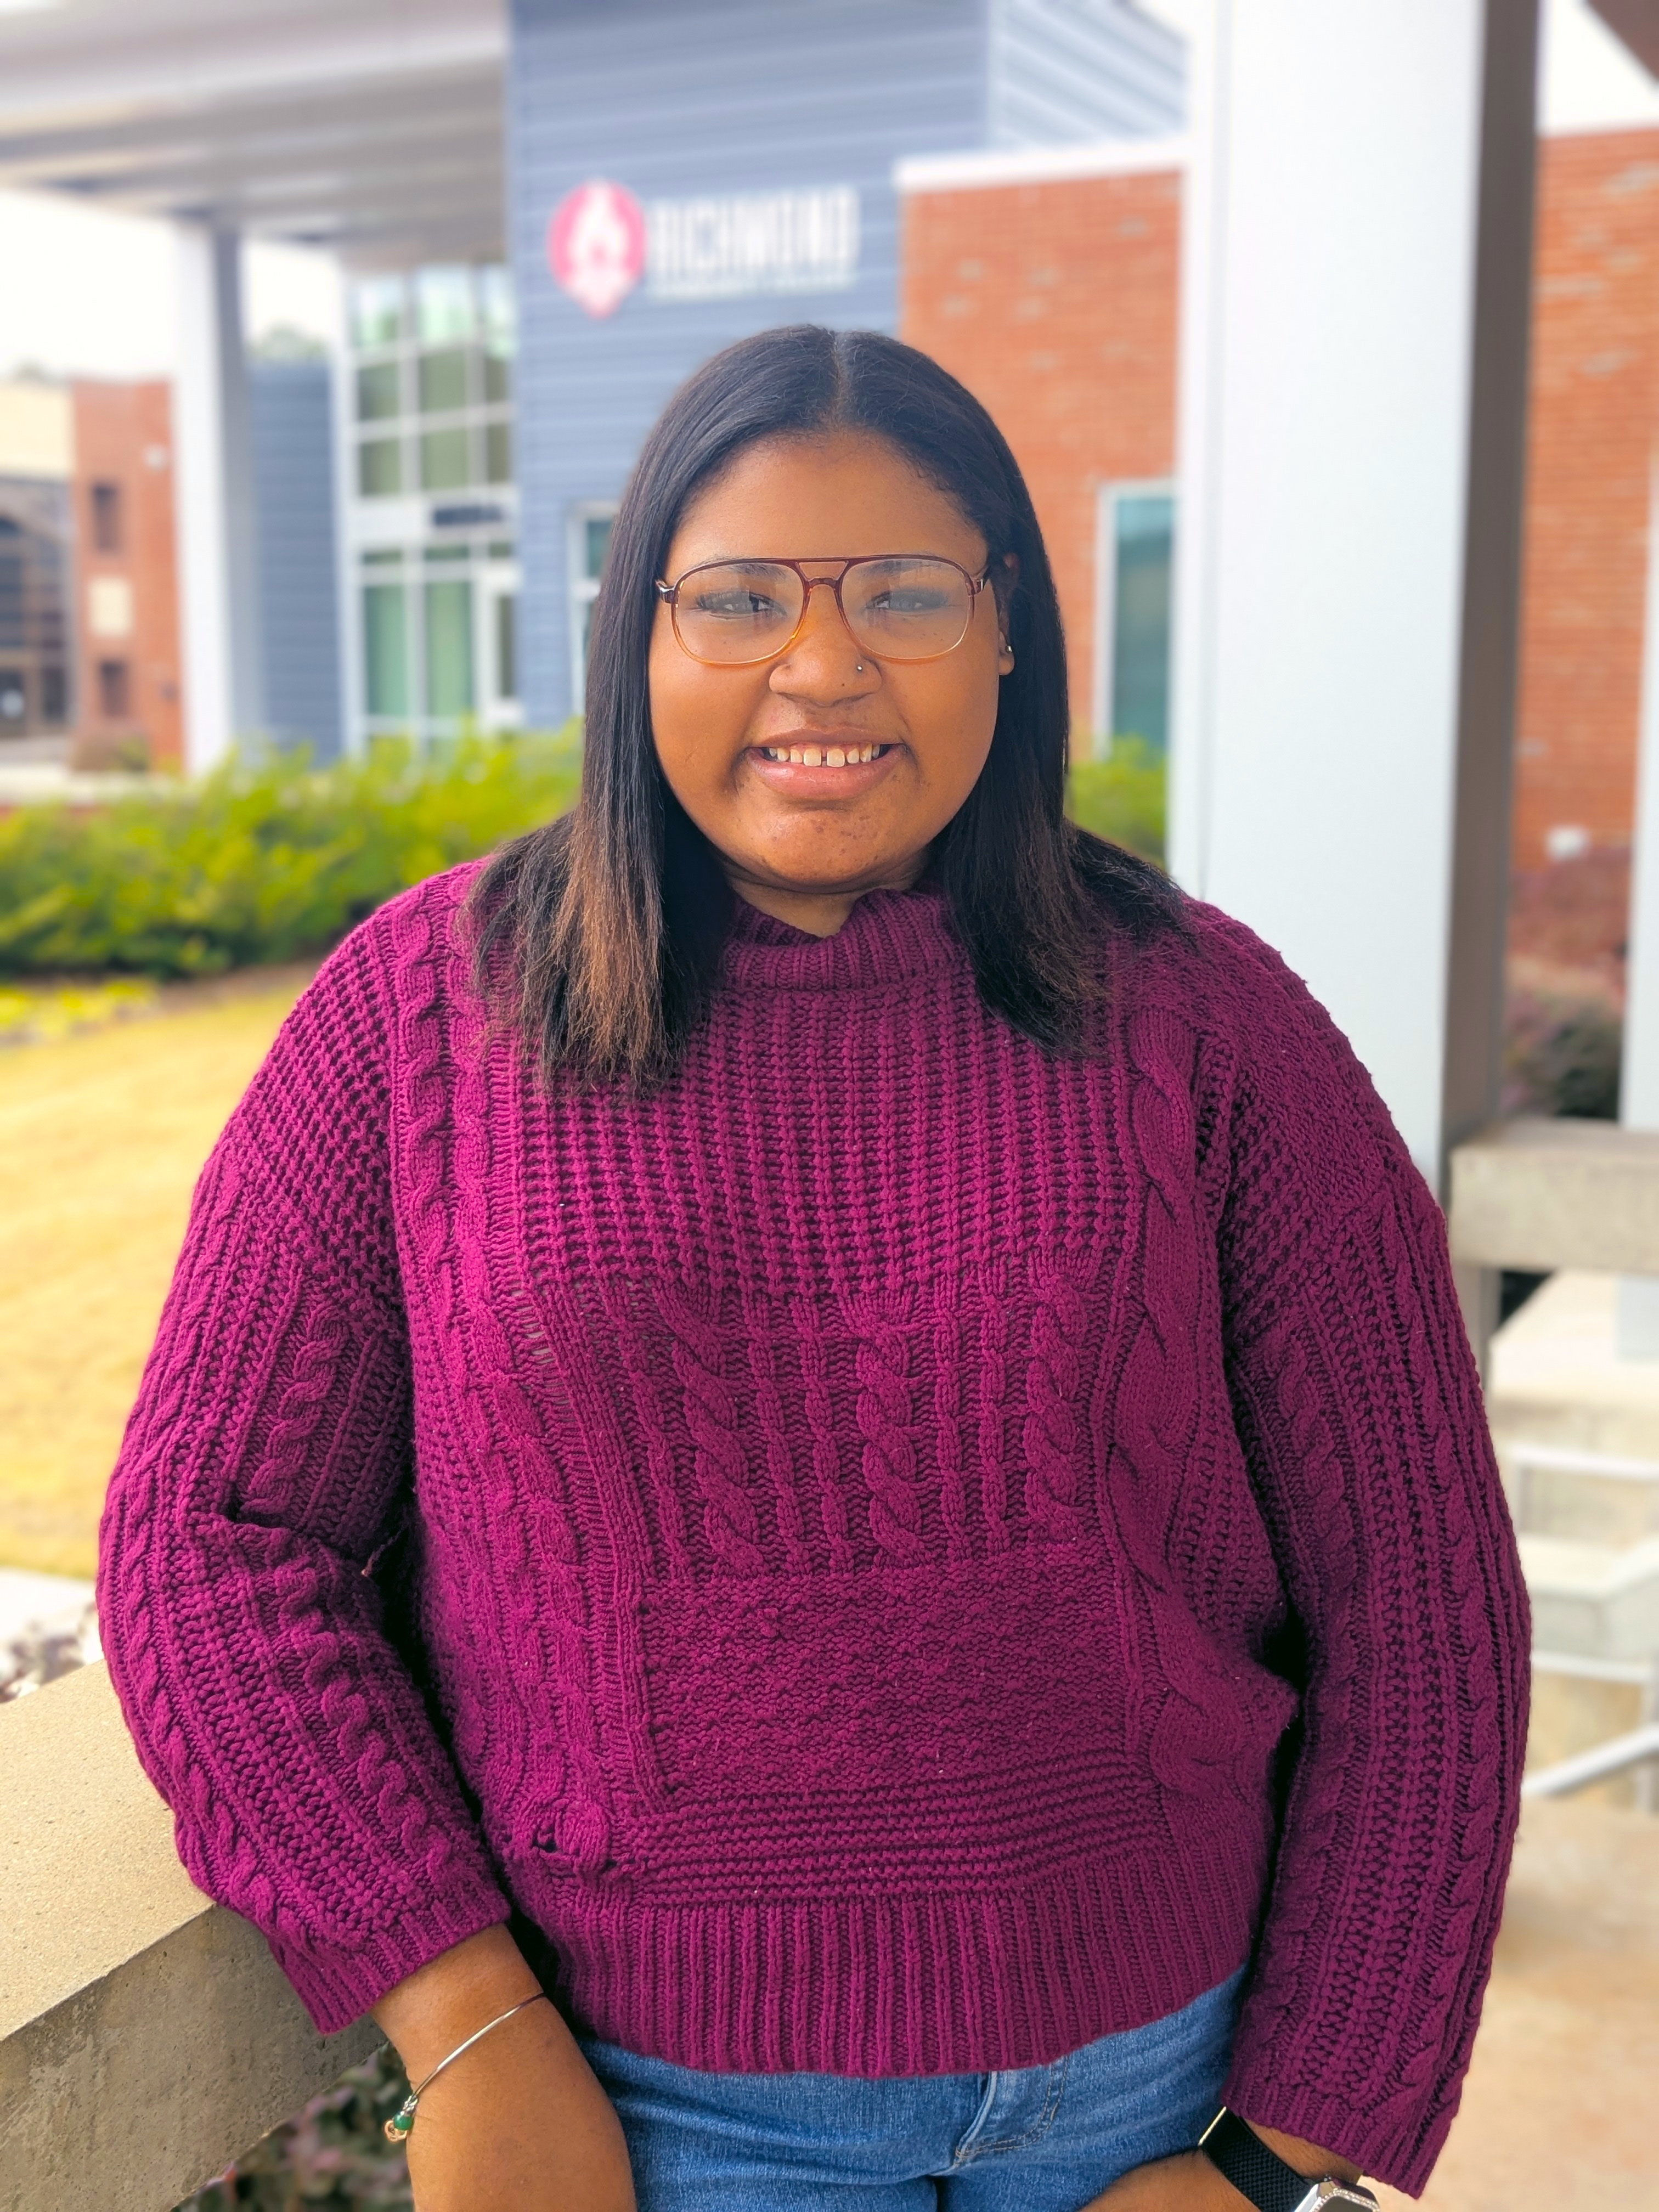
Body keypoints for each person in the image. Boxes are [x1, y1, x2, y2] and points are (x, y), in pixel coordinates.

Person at [99, 326, 1529, 2212]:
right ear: (644, 640)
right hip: (641, 2119)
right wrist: (464, 2024)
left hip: (1157, 2099)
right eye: (744, 597)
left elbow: (1426, 1608)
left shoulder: (1213, 1022)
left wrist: (1283, 2159)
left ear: (1006, 631)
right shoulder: (417, 1020)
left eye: (908, 593)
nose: (824, 665)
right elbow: (211, 1540)